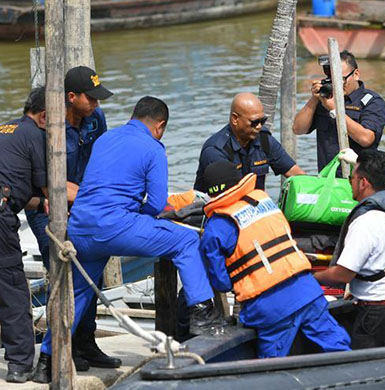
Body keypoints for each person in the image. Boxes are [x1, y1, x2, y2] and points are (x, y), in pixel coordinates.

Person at [33, 97, 224, 383]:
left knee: (79, 295)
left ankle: (46, 360)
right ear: (160, 126)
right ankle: (203, 316)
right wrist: (142, 217)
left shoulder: (106, 139)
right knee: (185, 242)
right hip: (117, 226)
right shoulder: (153, 147)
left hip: (82, 228)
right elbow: (158, 202)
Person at [199, 161, 351, 357]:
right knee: (337, 346)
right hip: (307, 291)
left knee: (272, 365)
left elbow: (220, 282)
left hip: (270, 307)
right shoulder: (263, 200)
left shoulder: (216, 227)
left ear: (209, 193)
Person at [25, 66, 114, 371]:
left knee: (92, 273)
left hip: (84, 203)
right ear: (71, 97)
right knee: (62, 275)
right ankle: (63, 345)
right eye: (91, 99)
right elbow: (48, 181)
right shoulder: (47, 127)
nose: (97, 105)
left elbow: (101, 161)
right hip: (47, 207)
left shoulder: (95, 120)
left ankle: (86, 344)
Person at [314, 150, 385, 349]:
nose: (350, 183)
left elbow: (343, 274)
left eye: (351, 178)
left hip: (380, 314)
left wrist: (309, 279)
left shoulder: (365, 222)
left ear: (363, 182)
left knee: (369, 372)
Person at [0, 87, 49, 383]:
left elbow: (19, 190)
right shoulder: (35, 136)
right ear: (44, 116)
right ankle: (19, 364)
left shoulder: (6, 128)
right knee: (13, 289)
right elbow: (48, 191)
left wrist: (39, 201)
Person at [292, 50, 385, 172]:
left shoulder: (371, 101)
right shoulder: (325, 99)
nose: (337, 84)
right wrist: (314, 99)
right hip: (327, 177)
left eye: (341, 79)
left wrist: (334, 110)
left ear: (356, 74)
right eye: (332, 79)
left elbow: (366, 139)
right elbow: (298, 129)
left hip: (359, 177)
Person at [194, 93, 304, 191]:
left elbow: (294, 172)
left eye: (262, 121)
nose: (259, 126)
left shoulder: (263, 139)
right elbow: (227, 197)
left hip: (254, 206)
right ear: (235, 119)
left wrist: (316, 189)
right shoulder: (216, 151)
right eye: (254, 122)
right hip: (221, 208)